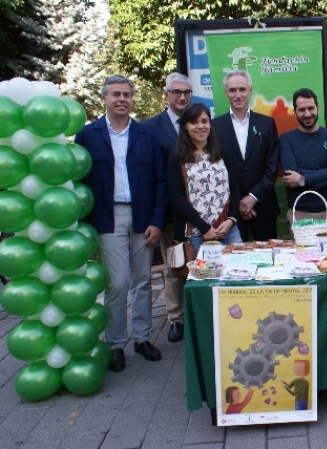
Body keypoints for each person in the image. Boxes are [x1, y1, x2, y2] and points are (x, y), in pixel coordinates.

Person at [75, 74, 166, 372]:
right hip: (107, 215)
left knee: (142, 281)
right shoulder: (88, 135)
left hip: (142, 216)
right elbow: (80, 182)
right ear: (105, 98)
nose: (122, 99)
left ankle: (141, 338)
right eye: (116, 94)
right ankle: (116, 343)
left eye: (126, 94)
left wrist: (157, 220)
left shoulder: (145, 135)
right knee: (117, 282)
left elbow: (160, 181)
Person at [143, 72, 191, 343]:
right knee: (174, 267)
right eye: (176, 92)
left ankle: (199, 315)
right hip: (170, 213)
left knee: (199, 265)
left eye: (186, 92)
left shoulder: (200, 121)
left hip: (199, 215)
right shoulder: (151, 128)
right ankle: (176, 319)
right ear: (167, 95)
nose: (182, 97)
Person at [212, 70, 280, 242]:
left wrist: (252, 198)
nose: (238, 95)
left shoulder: (266, 123)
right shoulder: (214, 126)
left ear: (250, 90)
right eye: (232, 90)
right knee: (232, 262)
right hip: (228, 210)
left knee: (268, 261)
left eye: (242, 89)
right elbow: (216, 169)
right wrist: (238, 203)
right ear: (225, 93)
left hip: (263, 206)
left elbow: (272, 167)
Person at [167, 103, 242, 253]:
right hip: (197, 234)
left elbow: (234, 187)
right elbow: (175, 197)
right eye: (194, 122)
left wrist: (231, 219)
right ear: (185, 126)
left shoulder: (222, 152)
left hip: (228, 230)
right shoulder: (178, 157)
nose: (200, 126)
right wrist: (205, 228)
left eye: (204, 121)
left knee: (238, 271)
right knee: (206, 275)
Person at [280, 88, 327, 235]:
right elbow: (290, 173)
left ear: (317, 108)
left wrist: (302, 179)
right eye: (302, 109)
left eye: (311, 108)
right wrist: (324, 174)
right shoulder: (287, 139)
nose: (307, 114)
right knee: (301, 258)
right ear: (294, 112)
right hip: (299, 213)